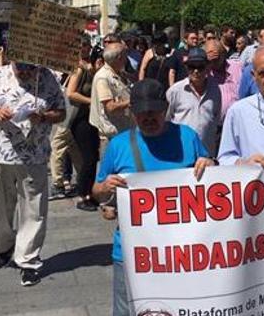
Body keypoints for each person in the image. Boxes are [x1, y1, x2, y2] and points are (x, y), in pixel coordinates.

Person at [92, 78, 215, 316]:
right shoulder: (118, 146)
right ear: (132, 113)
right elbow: (96, 192)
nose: (148, 118)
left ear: (165, 108)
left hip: (182, 252)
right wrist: (105, 187)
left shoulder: (187, 137)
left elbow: (212, 181)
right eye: (141, 113)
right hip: (132, 252)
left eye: (154, 112)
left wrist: (209, 164)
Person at [0, 59, 65, 286]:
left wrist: (43, 116)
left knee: (33, 208)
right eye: (20, 68)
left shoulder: (48, 77)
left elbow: (61, 112)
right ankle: (5, 246)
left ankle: (28, 259)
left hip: (34, 154)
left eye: (30, 68)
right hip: (0, 152)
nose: (25, 72)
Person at [166, 47, 222, 156]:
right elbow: (167, 121)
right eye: (192, 67)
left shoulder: (215, 90)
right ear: (187, 68)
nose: (196, 71)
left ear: (207, 68)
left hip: (207, 154)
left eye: (200, 67)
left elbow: (216, 118)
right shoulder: (175, 91)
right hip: (181, 153)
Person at [66, 39, 101, 211]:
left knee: (93, 157)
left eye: (86, 46)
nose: (83, 49)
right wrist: (92, 101)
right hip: (80, 118)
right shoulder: (78, 68)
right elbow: (71, 94)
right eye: (80, 46)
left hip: (91, 117)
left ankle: (89, 193)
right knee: (88, 158)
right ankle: (82, 195)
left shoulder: (90, 65)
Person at [89, 43, 133, 150]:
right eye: (125, 56)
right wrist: (130, 102)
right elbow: (110, 107)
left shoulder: (118, 73)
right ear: (119, 58)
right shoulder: (103, 77)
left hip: (124, 133)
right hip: (112, 137)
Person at [205, 39, 243, 121]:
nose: (214, 62)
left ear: (223, 54)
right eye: (212, 59)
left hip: (239, 120)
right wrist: (206, 64)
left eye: (217, 58)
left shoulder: (238, 67)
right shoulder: (205, 73)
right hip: (216, 125)